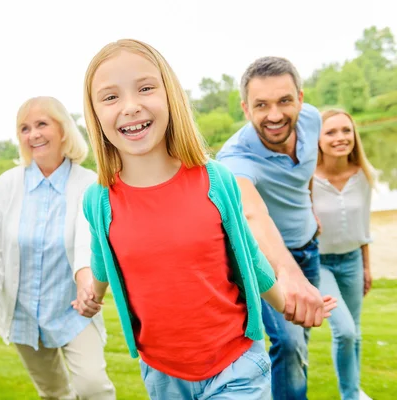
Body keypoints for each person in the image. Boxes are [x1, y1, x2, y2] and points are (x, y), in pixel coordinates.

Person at [72, 39, 334, 400]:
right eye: (111, 96)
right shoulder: (98, 200)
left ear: (171, 96)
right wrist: (94, 294)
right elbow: (103, 258)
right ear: (94, 113)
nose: (131, 106)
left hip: (236, 363)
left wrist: (286, 303)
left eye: (146, 88)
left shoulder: (215, 180)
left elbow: (249, 257)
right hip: (163, 374)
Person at [0, 96, 115, 400]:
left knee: (93, 387)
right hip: (24, 313)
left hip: (73, 310)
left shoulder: (88, 183)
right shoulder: (8, 184)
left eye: (42, 124)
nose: (33, 134)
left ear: (63, 130)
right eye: (24, 128)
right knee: (53, 394)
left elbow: (86, 243)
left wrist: (87, 287)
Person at [216, 56, 328, 399]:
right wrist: (288, 274)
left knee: (301, 340)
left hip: (310, 247)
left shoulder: (312, 121)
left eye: (284, 101)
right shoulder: (235, 158)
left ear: (301, 99)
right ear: (246, 109)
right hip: (271, 262)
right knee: (290, 344)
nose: (275, 115)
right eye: (261, 105)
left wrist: (309, 206)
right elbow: (252, 213)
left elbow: (305, 173)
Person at [313, 109, 375, 400]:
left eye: (346, 131)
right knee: (345, 331)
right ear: (319, 139)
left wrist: (366, 266)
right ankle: (351, 395)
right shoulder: (308, 179)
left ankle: (352, 391)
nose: (341, 138)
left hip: (352, 260)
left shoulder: (363, 174)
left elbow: (364, 225)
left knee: (356, 332)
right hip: (320, 265)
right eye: (331, 132)